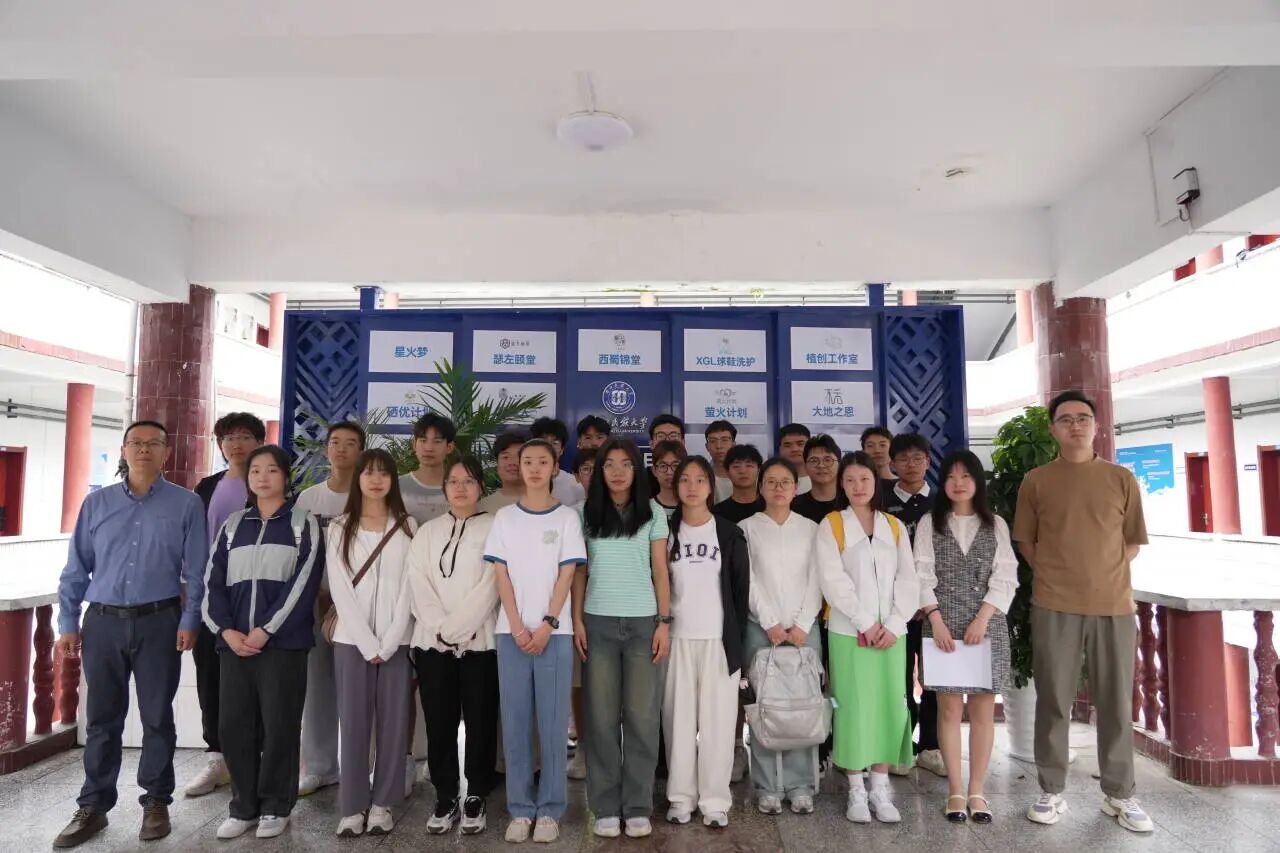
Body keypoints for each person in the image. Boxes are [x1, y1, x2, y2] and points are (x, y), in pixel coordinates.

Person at [53, 420, 208, 849]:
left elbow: (197, 571)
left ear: (166, 453)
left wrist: (190, 618)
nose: (143, 450)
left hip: (160, 621)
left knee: (157, 717)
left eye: (153, 444)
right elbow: (76, 568)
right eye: (135, 443)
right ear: (123, 450)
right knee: (103, 719)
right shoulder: (96, 503)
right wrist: (67, 622)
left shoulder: (186, 504)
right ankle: (93, 806)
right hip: (102, 623)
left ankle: (156, 801)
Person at [1014, 391, 1152, 833]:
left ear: (1096, 425)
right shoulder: (1037, 480)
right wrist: (1059, 574)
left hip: (1113, 606)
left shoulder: (1121, 478)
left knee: (1115, 702)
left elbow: (1131, 542)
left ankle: (1120, 794)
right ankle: (1051, 789)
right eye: (1066, 419)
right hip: (1054, 604)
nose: (1075, 425)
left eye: (1083, 418)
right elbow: (1026, 542)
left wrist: (1101, 574)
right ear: (1053, 428)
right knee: (1054, 700)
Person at [203, 445, 324, 840]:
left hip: (283, 646)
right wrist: (226, 631)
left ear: (285, 477)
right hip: (234, 645)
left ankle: (275, 805)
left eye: (272, 470)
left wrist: (266, 629)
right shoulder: (233, 525)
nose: (263, 477)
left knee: (279, 725)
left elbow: (303, 583)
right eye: (255, 470)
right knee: (234, 726)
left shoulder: (303, 523)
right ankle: (243, 807)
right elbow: (212, 583)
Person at [484, 439, 586, 844]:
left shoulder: (566, 518)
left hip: (554, 635)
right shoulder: (505, 518)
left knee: (553, 724)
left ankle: (550, 809)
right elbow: (501, 575)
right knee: (515, 724)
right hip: (511, 633)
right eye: (527, 461)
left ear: (555, 467)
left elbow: (567, 574)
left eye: (543, 461)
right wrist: (516, 625)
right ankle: (520, 808)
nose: (534, 468)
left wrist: (547, 623)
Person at [574, 438, 672, 839]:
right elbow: (580, 571)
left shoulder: (653, 512)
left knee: (642, 718)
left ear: (637, 470)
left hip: (643, 624)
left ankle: (637, 806)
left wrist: (664, 621)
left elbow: (660, 571)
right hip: (597, 622)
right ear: (599, 471)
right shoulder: (584, 512)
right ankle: (604, 806)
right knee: (599, 718)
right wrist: (577, 619)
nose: (617, 472)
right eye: (609, 464)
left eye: (626, 464)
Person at [915, 450, 1017, 824]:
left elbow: (1006, 576)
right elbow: (920, 574)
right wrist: (936, 619)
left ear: (978, 482)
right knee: (949, 709)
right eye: (951, 477)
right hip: (941, 624)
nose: (958, 483)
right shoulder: (930, 522)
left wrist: (983, 618)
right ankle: (955, 791)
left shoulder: (995, 524)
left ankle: (977, 791)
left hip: (985, 626)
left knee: (982, 711)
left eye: (966, 476)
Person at [815, 451, 916, 825]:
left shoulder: (894, 526)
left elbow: (909, 579)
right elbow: (832, 581)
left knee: (889, 706)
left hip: (891, 635)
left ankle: (880, 786)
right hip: (849, 633)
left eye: (865, 479)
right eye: (850, 480)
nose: (858, 486)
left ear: (877, 482)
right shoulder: (832, 525)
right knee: (853, 707)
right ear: (841, 485)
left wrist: (894, 624)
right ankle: (856, 788)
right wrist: (864, 623)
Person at [409, 456, 501, 837]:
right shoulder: (427, 532)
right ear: (444, 488)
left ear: (481, 486)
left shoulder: (496, 528)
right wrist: (442, 630)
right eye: (453, 481)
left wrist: (459, 629)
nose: (460, 488)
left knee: (481, 720)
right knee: (439, 722)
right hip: (432, 645)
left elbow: (493, 585)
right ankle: (446, 794)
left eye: (468, 481)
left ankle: (476, 792)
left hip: (481, 643)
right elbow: (418, 584)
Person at [328, 449, 417, 838]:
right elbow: (340, 589)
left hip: (398, 641)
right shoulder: (339, 527)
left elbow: (410, 588)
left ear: (393, 480)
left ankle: (383, 804)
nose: (376, 480)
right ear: (358, 479)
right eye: (369, 473)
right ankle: (352, 806)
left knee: (394, 724)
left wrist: (392, 639)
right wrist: (367, 642)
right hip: (351, 641)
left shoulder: (408, 526)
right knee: (353, 724)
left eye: (384, 473)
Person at [663, 456, 750, 829]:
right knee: (677, 723)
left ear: (711, 487)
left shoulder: (728, 533)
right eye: (685, 479)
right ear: (676, 485)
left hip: (718, 641)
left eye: (700, 479)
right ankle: (680, 798)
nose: (692, 486)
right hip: (676, 640)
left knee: (718, 723)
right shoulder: (665, 529)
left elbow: (741, 592)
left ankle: (715, 801)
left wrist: (737, 647)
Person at [186, 412, 265, 798]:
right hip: (210, 599)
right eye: (228, 437)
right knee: (210, 677)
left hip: (256, 600)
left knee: (257, 680)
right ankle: (217, 758)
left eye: (245, 436)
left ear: (260, 442)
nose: (236, 444)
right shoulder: (207, 487)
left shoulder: (270, 485)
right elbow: (194, 543)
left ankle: (256, 756)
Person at [739, 458, 822, 816]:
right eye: (770, 481)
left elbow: (818, 577)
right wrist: (770, 622)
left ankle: (801, 784)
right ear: (760, 487)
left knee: (803, 706)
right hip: (761, 630)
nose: (778, 488)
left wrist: (802, 623)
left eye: (785, 481)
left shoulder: (812, 528)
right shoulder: (746, 528)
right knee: (766, 709)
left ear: (795, 487)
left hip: (805, 630)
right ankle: (767, 786)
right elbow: (748, 580)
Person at [294, 420, 366, 798]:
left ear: (361, 451)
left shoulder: (370, 496)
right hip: (316, 605)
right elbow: (298, 554)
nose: (341, 449)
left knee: (360, 692)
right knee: (317, 688)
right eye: (335, 442)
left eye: (350, 443)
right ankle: (320, 767)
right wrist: (318, 595)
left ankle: (361, 767)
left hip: (360, 608)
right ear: (326, 450)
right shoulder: (310, 499)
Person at [880, 433, 944, 777]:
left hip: (933, 609)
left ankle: (931, 746)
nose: (911, 465)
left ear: (928, 461)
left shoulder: (942, 501)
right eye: (903, 459)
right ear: (892, 464)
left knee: (934, 679)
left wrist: (926, 600)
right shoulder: (880, 500)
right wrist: (905, 601)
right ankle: (901, 745)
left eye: (917, 458)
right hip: (894, 608)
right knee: (898, 679)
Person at [401, 413, 455, 524]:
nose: (429, 448)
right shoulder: (398, 486)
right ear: (414, 444)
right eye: (423, 440)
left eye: (437, 441)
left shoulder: (459, 488)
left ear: (449, 447)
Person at [531, 416, 587, 507]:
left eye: (555, 443)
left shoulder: (575, 485)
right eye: (543, 441)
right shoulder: (523, 482)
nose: (548, 447)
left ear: (562, 450)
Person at [790, 435, 841, 523]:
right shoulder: (792, 506)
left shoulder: (851, 503)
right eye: (814, 460)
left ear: (839, 464)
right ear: (805, 466)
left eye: (827, 460)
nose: (821, 465)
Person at [713, 443, 765, 524]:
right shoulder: (716, 514)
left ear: (759, 470)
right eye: (736, 466)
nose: (743, 471)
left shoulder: (770, 507)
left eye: (749, 465)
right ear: (727, 472)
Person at [479, 430, 526, 514]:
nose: (512, 462)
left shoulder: (545, 503)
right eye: (505, 457)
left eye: (519, 456)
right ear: (497, 462)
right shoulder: (482, 508)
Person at [650, 440, 687, 519]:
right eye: (663, 466)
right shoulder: (646, 509)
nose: (669, 472)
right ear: (654, 471)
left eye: (675, 465)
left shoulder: (694, 507)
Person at [703, 420, 737, 503]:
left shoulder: (748, 474)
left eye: (724, 440)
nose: (719, 446)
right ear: (707, 447)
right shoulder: (702, 475)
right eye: (713, 441)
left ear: (733, 444)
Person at [777, 423, 813, 495]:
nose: (794, 449)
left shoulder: (823, 479)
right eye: (787, 445)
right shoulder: (770, 481)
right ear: (780, 449)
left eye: (800, 444)